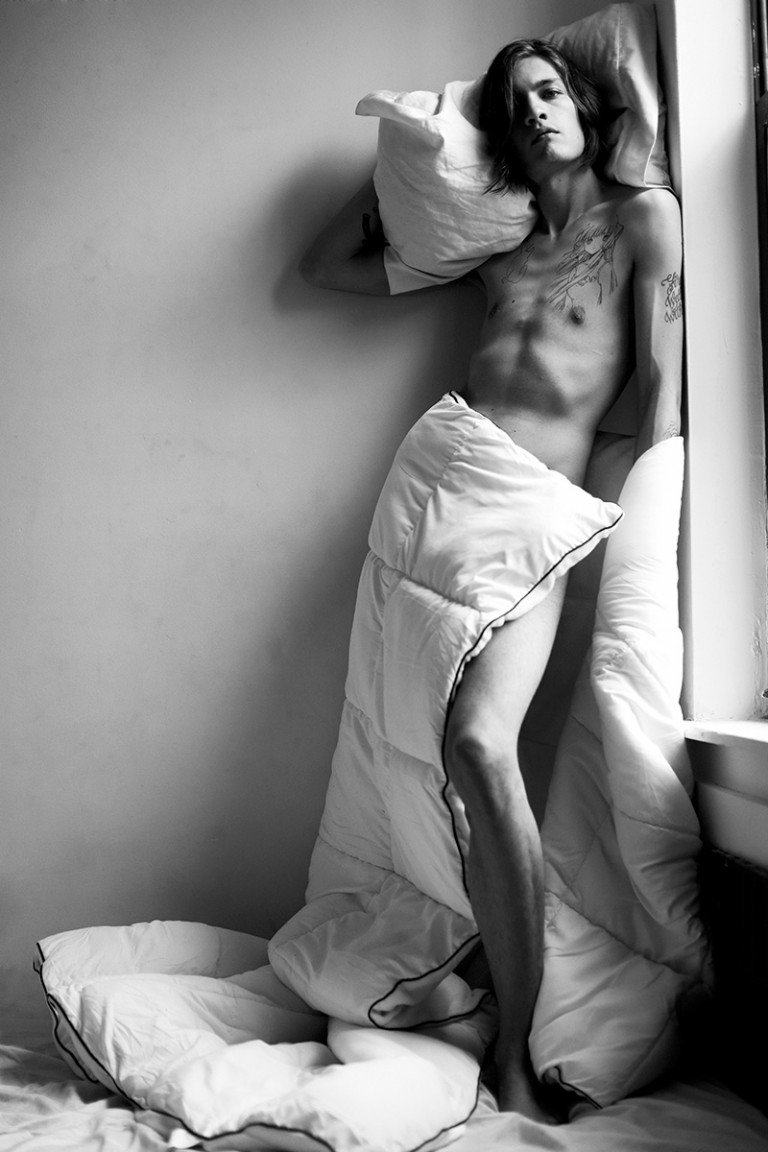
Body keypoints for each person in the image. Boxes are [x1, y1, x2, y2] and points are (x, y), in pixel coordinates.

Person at [299, 39, 683, 1121]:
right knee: (417, 752)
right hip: (438, 490)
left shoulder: (644, 218)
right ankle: (456, 976)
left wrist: (641, 534)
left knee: (478, 742)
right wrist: (437, 152)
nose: (536, 113)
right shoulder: (495, 253)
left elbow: (664, 394)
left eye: (549, 92)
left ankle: (513, 1043)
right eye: (514, 106)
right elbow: (326, 265)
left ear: (587, 106)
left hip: (532, 515)